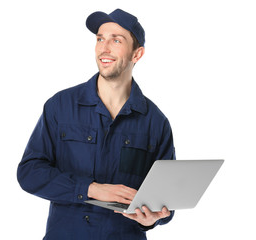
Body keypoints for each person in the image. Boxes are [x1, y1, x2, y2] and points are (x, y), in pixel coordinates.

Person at [17, 9, 176, 240]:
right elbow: (29, 173)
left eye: (116, 40)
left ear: (137, 54)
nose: (104, 47)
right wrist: (91, 189)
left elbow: (165, 201)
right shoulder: (60, 106)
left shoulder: (155, 121)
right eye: (100, 38)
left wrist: (154, 219)